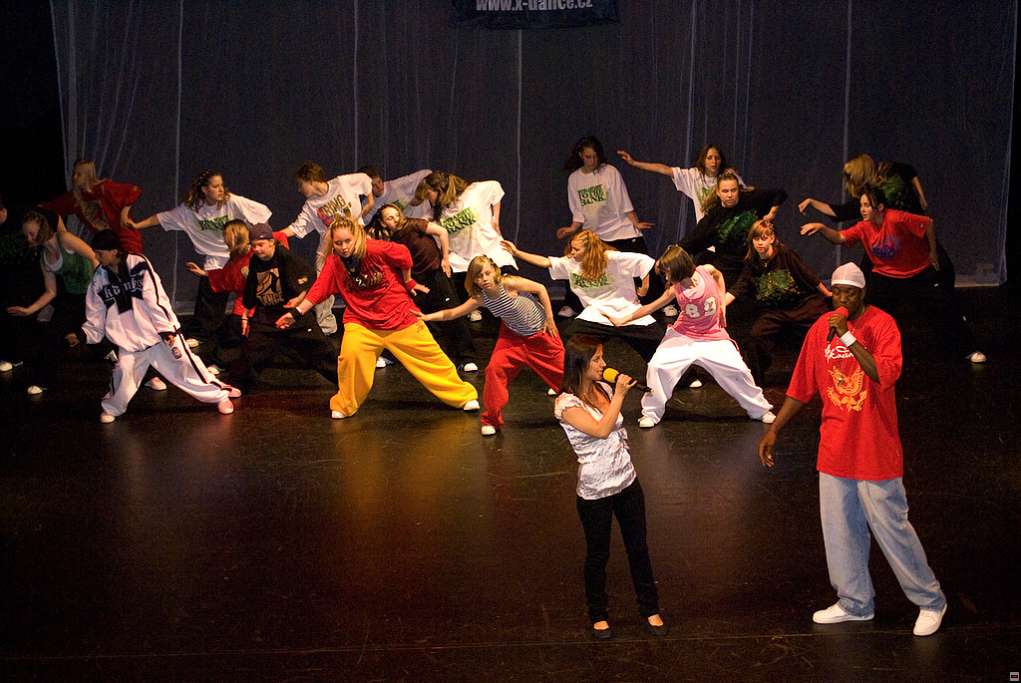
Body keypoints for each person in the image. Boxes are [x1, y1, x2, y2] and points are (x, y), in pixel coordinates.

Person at [757, 262, 947, 637]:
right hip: (835, 446)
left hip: (875, 447)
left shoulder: (883, 326)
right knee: (840, 530)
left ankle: (930, 600)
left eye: (850, 293)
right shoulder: (820, 329)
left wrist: (847, 337)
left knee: (892, 528)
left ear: (863, 294)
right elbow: (802, 386)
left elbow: (882, 374)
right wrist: (775, 429)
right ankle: (855, 603)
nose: (842, 299)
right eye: (838, 292)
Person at [276, 218, 479, 419]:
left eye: (348, 241)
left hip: (399, 317)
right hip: (361, 322)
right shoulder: (334, 262)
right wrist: (296, 313)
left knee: (431, 358)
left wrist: (408, 280)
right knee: (350, 358)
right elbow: (319, 290)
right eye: (338, 243)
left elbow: (404, 254)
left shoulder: (375, 249)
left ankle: (463, 396)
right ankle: (344, 404)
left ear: (357, 237)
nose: (344, 247)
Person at [554, 336, 666, 640]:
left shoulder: (603, 388)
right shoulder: (566, 404)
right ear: (580, 364)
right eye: (597, 359)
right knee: (598, 554)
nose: (604, 364)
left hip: (627, 481)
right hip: (595, 492)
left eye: (602, 358)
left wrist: (614, 392)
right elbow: (601, 430)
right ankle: (598, 614)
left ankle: (650, 609)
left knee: (638, 548)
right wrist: (619, 394)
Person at [801, 187, 985, 363]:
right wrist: (821, 227)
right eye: (861, 205)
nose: (862, 209)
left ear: (880, 207)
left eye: (867, 205)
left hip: (917, 272)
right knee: (869, 314)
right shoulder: (864, 227)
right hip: (885, 276)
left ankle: (968, 349)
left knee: (944, 309)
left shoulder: (896, 219)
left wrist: (933, 253)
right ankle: (862, 350)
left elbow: (927, 223)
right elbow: (840, 237)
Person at [71, 231, 238, 423]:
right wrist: (84, 334)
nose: (96, 257)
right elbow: (96, 312)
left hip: (159, 335)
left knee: (185, 366)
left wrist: (165, 328)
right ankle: (112, 408)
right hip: (131, 342)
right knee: (123, 373)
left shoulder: (138, 264)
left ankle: (220, 395)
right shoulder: (99, 278)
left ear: (114, 251)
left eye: (100, 253)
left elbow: (155, 296)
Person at [609, 245, 774, 428]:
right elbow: (649, 307)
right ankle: (651, 413)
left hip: (713, 335)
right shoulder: (675, 290)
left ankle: (759, 409)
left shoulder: (706, 271)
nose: (666, 277)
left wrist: (722, 302)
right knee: (657, 367)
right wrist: (622, 319)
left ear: (679, 268)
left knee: (738, 370)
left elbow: (719, 276)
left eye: (668, 272)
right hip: (684, 336)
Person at [418, 255, 562, 436]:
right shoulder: (481, 298)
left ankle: (585, 406)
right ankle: (491, 420)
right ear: (474, 280)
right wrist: (428, 317)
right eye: (479, 276)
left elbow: (540, 288)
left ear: (495, 271)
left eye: (487, 273)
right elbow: (453, 312)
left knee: (565, 375)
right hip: (513, 338)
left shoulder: (509, 283)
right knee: (494, 370)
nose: (484, 278)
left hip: (541, 334)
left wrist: (550, 318)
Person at [125, 170, 272, 347]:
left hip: (239, 255)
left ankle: (261, 329)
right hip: (215, 259)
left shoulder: (232, 201)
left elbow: (261, 214)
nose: (221, 189)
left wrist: (260, 244)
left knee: (251, 293)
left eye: (222, 185)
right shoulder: (191, 210)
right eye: (215, 186)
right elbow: (164, 217)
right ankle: (202, 334)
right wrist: (137, 225)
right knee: (209, 300)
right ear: (204, 189)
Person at [502, 231, 665, 363]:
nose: (572, 252)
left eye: (576, 249)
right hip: (597, 313)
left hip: (627, 311)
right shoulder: (571, 262)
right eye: (571, 248)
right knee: (573, 341)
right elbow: (546, 262)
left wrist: (644, 287)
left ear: (590, 250)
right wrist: (516, 252)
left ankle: (673, 379)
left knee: (658, 348)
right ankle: (578, 378)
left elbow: (645, 261)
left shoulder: (611, 258)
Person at [797, 154, 955, 289]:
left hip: (911, 226)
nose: (863, 208)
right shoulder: (869, 198)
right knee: (872, 268)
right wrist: (812, 203)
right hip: (888, 233)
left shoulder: (888, 171)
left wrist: (921, 196)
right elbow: (840, 213)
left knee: (939, 265)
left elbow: (909, 171)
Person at [367, 203, 478, 372]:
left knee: (452, 312)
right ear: (383, 222)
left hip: (436, 274)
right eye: (389, 218)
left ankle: (466, 357)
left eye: (396, 214)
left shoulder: (414, 224)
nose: (395, 219)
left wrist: (445, 258)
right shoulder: (392, 239)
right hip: (416, 281)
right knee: (408, 316)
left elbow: (442, 231)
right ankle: (393, 354)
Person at [556, 136, 659, 317]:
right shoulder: (574, 179)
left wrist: (635, 222)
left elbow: (623, 201)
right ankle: (572, 304)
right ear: (581, 155)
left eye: (595, 156)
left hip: (621, 230)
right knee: (573, 262)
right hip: (595, 236)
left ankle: (660, 303)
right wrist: (572, 229)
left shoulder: (610, 172)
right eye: (588, 157)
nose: (592, 161)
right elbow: (578, 212)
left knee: (645, 265)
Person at [228, 222, 337, 393]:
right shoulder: (255, 261)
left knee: (321, 350)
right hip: (268, 318)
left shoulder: (285, 256)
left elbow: (309, 278)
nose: (257, 249)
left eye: (261, 245)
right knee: (250, 352)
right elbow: (251, 289)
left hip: (293, 317)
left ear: (271, 242)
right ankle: (236, 386)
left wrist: (298, 300)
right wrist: (245, 314)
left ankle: (346, 381)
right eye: (254, 246)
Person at [724, 220, 831, 386]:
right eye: (756, 239)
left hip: (800, 305)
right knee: (755, 337)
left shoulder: (784, 254)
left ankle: (828, 370)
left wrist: (828, 294)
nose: (760, 243)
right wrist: (720, 304)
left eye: (764, 238)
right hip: (775, 311)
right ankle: (757, 381)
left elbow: (808, 275)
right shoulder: (752, 263)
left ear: (772, 238)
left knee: (824, 327)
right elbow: (739, 287)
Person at [280, 162, 375, 335]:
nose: (299, 190)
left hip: (355, 237)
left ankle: (372, 318)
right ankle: (326, 327)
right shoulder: (311, 205)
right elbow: (297, 227)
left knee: (369, 275)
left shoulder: (342, 183)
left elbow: (365, 179)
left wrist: (370, 201)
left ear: (310, 180)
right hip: (330, 244)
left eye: (301, 184)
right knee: (321, 281)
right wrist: (275, 235)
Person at [184, 220, 290, 373]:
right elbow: (227, 276)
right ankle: (221, 362)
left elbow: (278, 237)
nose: (226, 240)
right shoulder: (238, 260)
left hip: (273, 298)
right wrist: (204, 273)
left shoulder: (262, 245)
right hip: (248, 301)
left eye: (228, 236)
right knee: (234, 328)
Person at [415, 170, 515, 322]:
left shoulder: (472, 192)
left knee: (508, 285)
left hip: (490, 249)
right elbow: (421, 225)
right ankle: (471, 308)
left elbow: (495, 187)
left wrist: (496, 218)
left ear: (439, 189)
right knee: (449, 274)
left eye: (429, 194)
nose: (429, 199)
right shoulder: (436, 214)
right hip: (464, 257)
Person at [681, 170, 787, 286]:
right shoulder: (714, 216)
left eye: (733, 190)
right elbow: (693, 239)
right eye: (725, 191)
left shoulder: (750, 199)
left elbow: (780, 193)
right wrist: (673, 252)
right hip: (728, 266)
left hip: (753, 260)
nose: (730, 195)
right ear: (718, 192)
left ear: (738, 190)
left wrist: (772, 213)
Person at [39, 159, 145, 254]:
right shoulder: (75, 199)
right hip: (107, 244)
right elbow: (53, 206)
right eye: (74, 174)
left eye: (79, 174)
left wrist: (124, 214)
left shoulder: (104, 188)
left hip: (125, 238)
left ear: (88, 175)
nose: (74, 177)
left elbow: (134, 190)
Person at [617, 144, 737, 224]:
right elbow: (663, 169)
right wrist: (634, 163)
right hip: (706, 235)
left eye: (717, 158)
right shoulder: (694, 176)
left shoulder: (728, 177)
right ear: (703, 160)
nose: (714, 161)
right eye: (709, 158)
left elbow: (744, 196)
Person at [0, 195, 41, 375]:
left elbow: (52, 219)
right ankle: (11, 354)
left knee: (17, 314)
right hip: (6, 276)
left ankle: (16, 357)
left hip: (28, 275)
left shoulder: (20, 215)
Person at [359, 165, 432, 223]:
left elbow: (428, 173)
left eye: (379, 181)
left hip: (423, 220)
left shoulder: (396, 185)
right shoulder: (366, 204)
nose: (379, 187)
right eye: (374, 185)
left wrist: (419, 196)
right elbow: (366, 224)